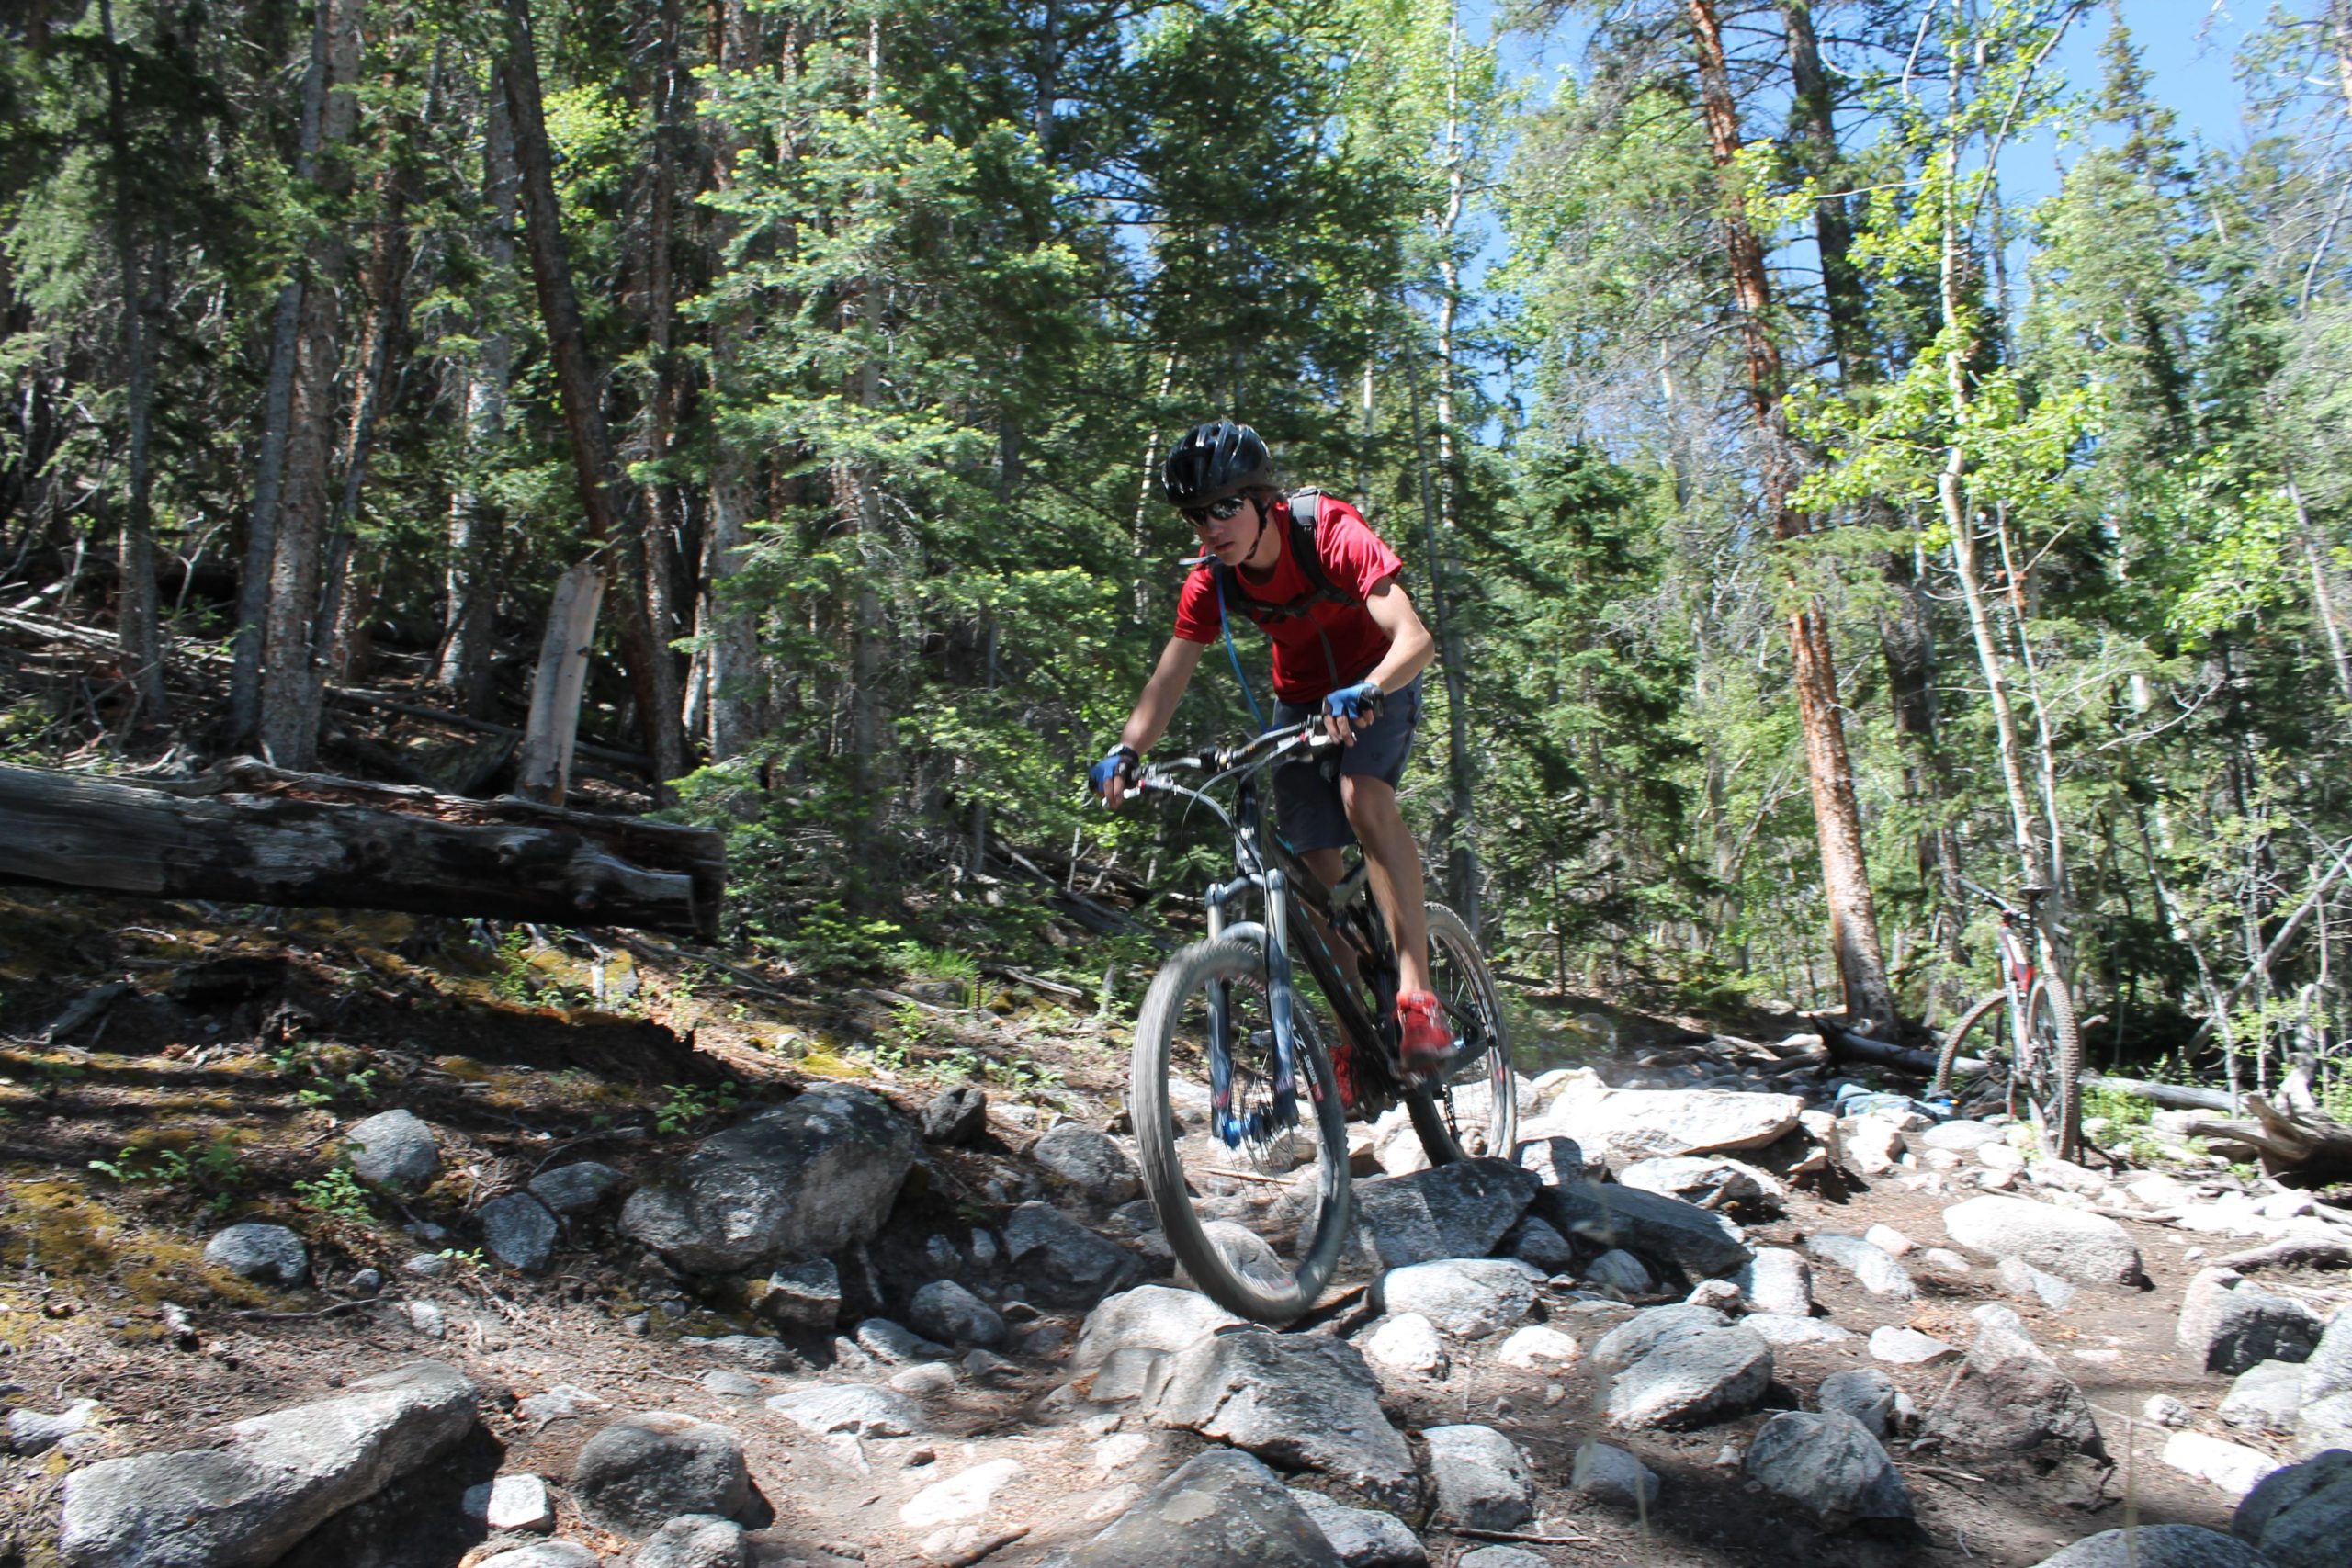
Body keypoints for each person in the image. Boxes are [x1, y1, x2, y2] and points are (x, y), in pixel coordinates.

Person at [1087, 419, 1451, 1090]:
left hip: (1379, 676)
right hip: (1302, 700)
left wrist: (1369, 689)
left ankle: (1417, 996)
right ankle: (1355, 1047)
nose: (1211, 527)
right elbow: (1169, 678)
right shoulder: (1214, 580)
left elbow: (1415, 638)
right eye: (1197, 515)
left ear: (1262, 500)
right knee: (1312, 871)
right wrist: (1125, 749)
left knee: (1362, 796)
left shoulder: (1329, 531)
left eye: (1225, 507)